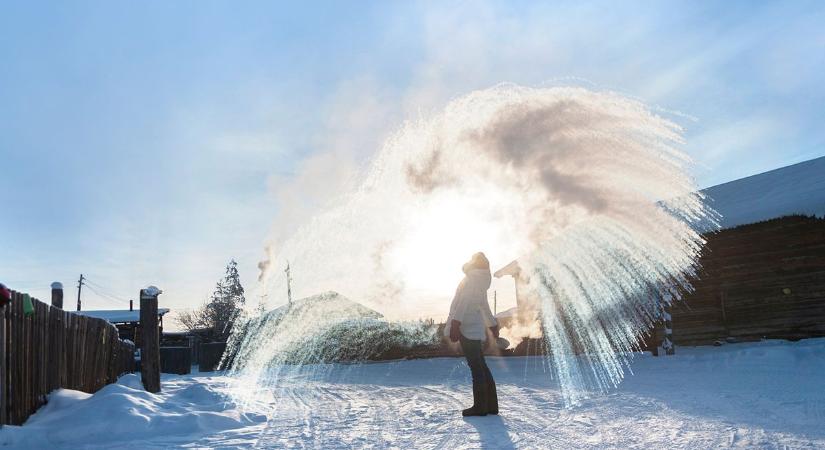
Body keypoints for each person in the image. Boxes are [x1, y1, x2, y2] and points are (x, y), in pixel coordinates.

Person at [445, 252, 499, 417]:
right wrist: (492, 324)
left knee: (476, 367)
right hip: (474, 328)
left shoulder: (471, 280)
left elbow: (463, 303)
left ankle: (480, 407)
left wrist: (456, 324)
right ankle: (491, 406)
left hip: (466, 328)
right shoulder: (480, 282)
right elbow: (484, 306)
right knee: (481, 365)